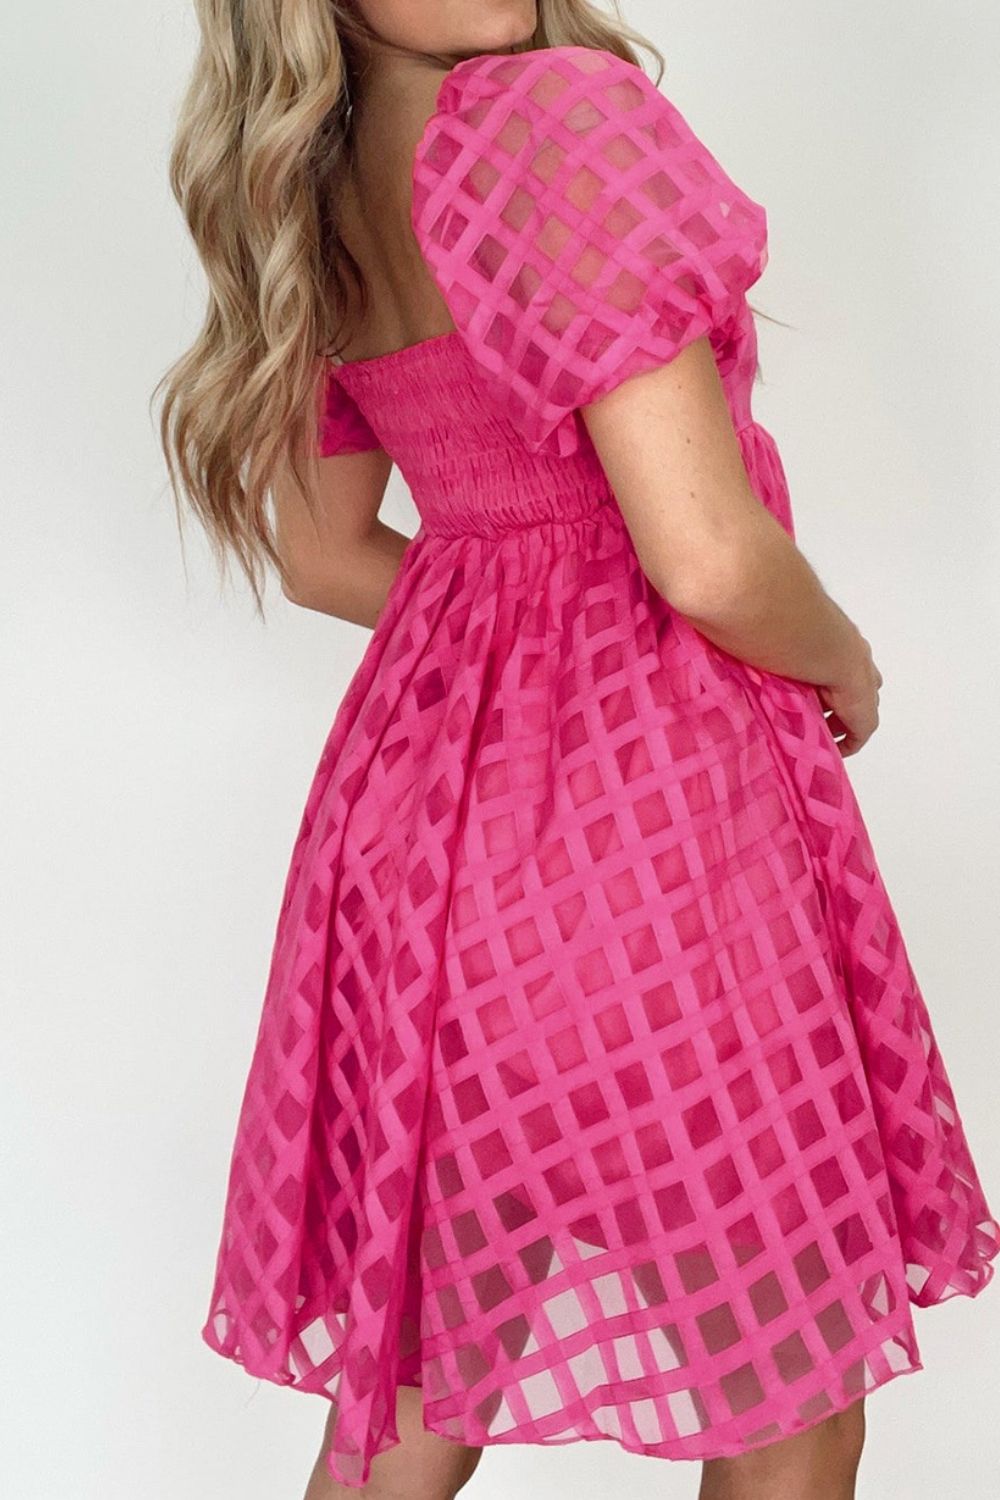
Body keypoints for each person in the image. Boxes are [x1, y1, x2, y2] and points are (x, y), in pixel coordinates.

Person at [155, 3, 1000, 1498]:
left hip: (419, 855)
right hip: (650, 842)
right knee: (791, 1394)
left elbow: (322, 551)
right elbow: (707, 558)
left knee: (413, 1398)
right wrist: (847, 664)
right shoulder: (548, 116)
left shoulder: (310, 184)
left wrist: (513, 622)